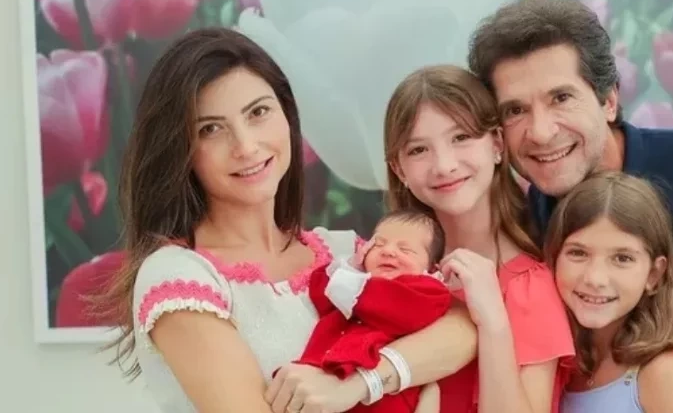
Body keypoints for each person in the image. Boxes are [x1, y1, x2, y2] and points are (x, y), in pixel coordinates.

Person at [96, 27, 478, 413]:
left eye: (258, 112)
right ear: (181, 150)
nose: (246, 146)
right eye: (210, 129)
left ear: (287, 114)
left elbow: (460, 329)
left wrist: (361, 383)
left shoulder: (344, 252)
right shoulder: (180, 276)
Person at [467, 0, 673, 413]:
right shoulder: (529, 224)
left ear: (609, 100)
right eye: (515, 110)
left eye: (561, 98)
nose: (540, 132)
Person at [383, 64, 575, 413]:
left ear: (497, 144)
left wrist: (493, 323)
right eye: (418, 150)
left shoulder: (529, 287)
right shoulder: (384, 266)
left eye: (461, 138)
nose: (444, 165)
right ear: (399, 169)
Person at [545, 171, 673, 413]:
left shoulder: (664, 371)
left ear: (654, 275)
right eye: (578, 253)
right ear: (554, 258)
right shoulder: (554, 363)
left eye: (622, 258)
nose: (595, 278)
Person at [294, 209, 452, 413]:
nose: (388, 251)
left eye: (405, 250)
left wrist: (353, 284)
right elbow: (320, 293)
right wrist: (351, 267)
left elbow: (398, 310)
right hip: (323, 386)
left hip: (385, 398)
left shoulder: (429, 292)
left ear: (431, 269)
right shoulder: (356, 282)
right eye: (378, 244)